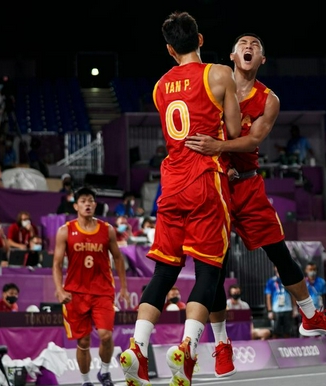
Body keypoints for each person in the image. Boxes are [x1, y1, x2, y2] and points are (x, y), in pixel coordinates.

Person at [184, 33, 326, 377]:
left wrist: (220, 147)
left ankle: (309, 315)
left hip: (247, 185)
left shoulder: (268, 99)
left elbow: (255, 139)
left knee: (279, 251)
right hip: (214, 187)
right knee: (212, 269)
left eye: (255, 45)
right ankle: (220, 344)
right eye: (243, 43)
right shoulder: (211, 86)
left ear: (261, 60)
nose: (249, 46)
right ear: (232, 54)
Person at [119, 11, 242, 386]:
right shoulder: (220, 74)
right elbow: (234, 131)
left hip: (170, 184)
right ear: (200, 39)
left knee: (164, 271)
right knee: (209, 270)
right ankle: (187, 346)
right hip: (205, 180)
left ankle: (138, 347)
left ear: (170, 49)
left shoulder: (159, 86)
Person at [52, 186, 129, 386]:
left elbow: (118, 259)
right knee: (83, 341)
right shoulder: (65, 231)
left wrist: (123, 288)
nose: (88, 204)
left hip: (102, 291)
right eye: (84, 201)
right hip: (75, 293)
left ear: (95, 205)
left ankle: (104, 372)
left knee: (106, 335)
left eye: (91, 200)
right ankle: (86, 381)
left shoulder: (107, 229)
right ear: (76, 205)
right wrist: (60, 289)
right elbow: (57, 264)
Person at [265, 266, 295, 339]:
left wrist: (295, 309)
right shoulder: (271, 281)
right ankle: (274, 348)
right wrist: (270, 311)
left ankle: (287, 347)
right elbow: (268, 296)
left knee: (287, 331)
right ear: (274, 268)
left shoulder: (289, 279)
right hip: (276, 310)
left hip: (288, 309)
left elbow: (293, 295)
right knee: (275, 331)